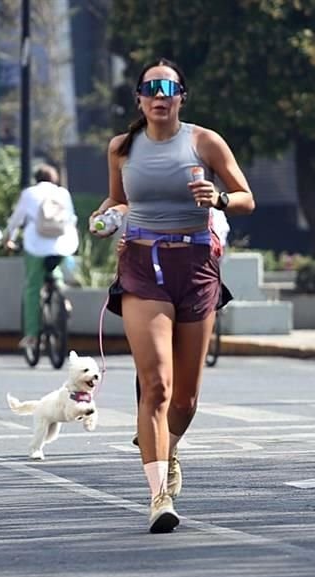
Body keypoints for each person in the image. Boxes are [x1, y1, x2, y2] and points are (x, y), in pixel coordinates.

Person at [91, 58, 254, 533]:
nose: (160, 96)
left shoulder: (204, 142)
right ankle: (158, 495)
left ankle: (170, 444)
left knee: (185, 398)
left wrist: (219, 199)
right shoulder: (122, 147)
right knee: (156, 384)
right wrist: (103, 219)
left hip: (196, 266)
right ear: (139, 98)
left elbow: (246, 196)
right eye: (150, 88)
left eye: (169, 88)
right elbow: (117, 199)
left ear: (182, 96)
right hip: (143, 267)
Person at [3, 164, 78, 353]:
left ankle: (31, 335)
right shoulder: (63, 193)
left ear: (36, 179)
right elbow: (72, 219)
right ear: (55, 179)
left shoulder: (29, 193)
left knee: (33, 288)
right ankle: (62, 300)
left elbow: (16, 220)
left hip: (36, 245)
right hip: (64, 243)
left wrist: (7, 239)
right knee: (54, 269)